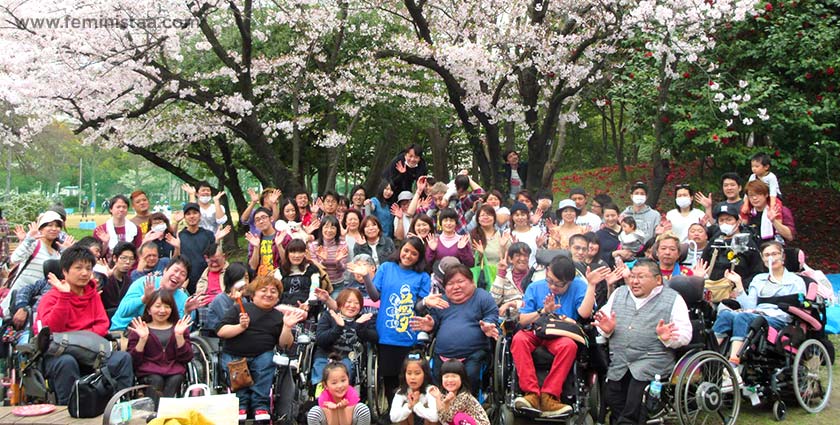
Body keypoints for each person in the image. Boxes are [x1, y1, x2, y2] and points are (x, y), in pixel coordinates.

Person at [593, 259, 691, 425]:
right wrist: (607, 330)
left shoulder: (673, 299)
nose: (634, 281)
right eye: (632, 276)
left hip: (651, 361)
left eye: (641, 277)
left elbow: (685, 334)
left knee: (634, 401)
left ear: (658, 280)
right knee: (613, 397)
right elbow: (602, 321)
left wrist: (668, 338)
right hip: (620, 361)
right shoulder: (619, 293)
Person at [37, 246, 134, 405]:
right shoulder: (51, 297)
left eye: (88, 269)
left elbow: (103, 324)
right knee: (67, 362)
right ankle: (68, 409)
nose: (84, 273)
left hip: (92, 351)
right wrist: (64, 297)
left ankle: (121, 404)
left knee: (123, 358)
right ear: (65, 271)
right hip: (60, 353)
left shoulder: (92, 295)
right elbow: (53, 331)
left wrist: (80, 338)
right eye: (78, 268)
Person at [349, 237, 431, 411]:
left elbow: (418, 306)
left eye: (414, 253)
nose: (408, 255)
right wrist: (366, 277)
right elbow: (374, 296)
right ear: (400, 250)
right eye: (406, 250)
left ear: (419, 257)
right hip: (387, 333)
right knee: (389, 378)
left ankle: (410, 413)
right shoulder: (386, 268)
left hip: (408, 334)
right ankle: (393, 413)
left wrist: (425, 302)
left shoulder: (423, 277)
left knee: (409, 378)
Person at [510, 255, 597, 417]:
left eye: (558, 284)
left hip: (561, 333)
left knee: (569, 346)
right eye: (549, 280)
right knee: (519, 339)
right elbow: (522, 320)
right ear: (547, 272)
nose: (552, 286)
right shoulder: (535, 287)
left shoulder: (579, 286)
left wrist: (591, 285)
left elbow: (584, 313)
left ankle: (549, 396)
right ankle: (531, 394)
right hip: (536, 329)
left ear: (569, 281)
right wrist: (542, 311)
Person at [712, 241, 806, 388]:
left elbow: (799, 306)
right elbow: (749, 306)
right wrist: (739, 284)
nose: (771, 258)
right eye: (767, 255)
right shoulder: (759, 279)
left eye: (774, 254)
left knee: (742, 317)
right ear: (762, 259)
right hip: (756, 314)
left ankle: (733, 368)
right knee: (726, 315)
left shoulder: (796, 281)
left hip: (778, 318)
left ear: (782, 257)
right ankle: (708, 358)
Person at [217, 275, 306, 423]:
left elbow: (285, 344)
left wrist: (287, 327)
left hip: (263, 354)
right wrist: (240, 327)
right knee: (237, 367)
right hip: (235, 354)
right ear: (253, 294)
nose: (268, 294)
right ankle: (240, 405)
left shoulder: (278, 316)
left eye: (273, 291)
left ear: (278, 297)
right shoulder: (238, 309)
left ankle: (261, 406)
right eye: (263, 290)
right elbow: (221, 331)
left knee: (266, 361)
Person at [412, 264, 499, 393]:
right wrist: (431, 325)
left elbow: (491, 314)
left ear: (472, 282)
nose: (456, 287)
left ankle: (467, 404)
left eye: (460, 281)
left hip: (473, 354)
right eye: (450, 284)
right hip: (442, 354)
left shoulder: (482, 297)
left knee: (470, 377)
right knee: (436, 381)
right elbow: (434, 320)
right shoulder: (441, 301)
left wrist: (488, 324)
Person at [127, 289, 194, 402]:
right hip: (148, 371)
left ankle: (163, 409)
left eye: (167, 306)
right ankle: (156, 410)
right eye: (158, 306)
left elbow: (187, 358)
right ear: (149, 310)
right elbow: (133, 361)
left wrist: (179, 336)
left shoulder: (179, 327)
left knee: (176, 378)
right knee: (156, 379)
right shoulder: (140, 328)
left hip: (174, 370)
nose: (162, 310)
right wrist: (143, 339)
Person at [110, 257, 205, 331]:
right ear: (165, 270)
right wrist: (144, 299)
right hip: (125, 331)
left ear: (185, 281)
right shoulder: (144, 283)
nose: (177, 275)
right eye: (175, 270)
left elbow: (184, 333)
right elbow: (122, 312)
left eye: (183, 274)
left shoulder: (184, 299)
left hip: (160, 339)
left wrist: (187, 312)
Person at [312, 288, 377, 386]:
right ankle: (321, 392)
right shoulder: (329, 316)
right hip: (326, 355)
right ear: (340, 303)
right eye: (348, 302)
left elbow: (375, 337)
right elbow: (321, 340)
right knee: (321, 374)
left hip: (348, 357)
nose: (352, 306)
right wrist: (338, 328)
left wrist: (359, 327)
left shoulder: (364, 318)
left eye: (356, 303)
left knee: (343, 375)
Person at [2, 211, 64, 314]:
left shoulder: (56, 253)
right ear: (41, 228)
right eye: (49, 225)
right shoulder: (35, 244)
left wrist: (66, 252)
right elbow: (15, 259)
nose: (54, 228)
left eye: (57, 226)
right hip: (18, 297)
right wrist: (28, 240)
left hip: (37, 301)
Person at [701, 203, 763, 290]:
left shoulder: (747, 241)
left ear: (738, 221)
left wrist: (741, 287)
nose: (725, 223)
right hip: (713, 288)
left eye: (729, 220)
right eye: (721, 220)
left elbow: (757, 271)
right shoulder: (715, 241)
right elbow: (703, 263)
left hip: (737, 290)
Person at [306, 354, 372, 425]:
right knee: (314, 412)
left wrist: (341, 409)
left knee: (362, 409)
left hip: (348, 421)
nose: (340, 386)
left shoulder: (351, 393)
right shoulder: (324, 397)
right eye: (334, 383)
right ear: (326, 385)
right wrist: (333, 410)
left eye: (343, 380)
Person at [179, 202, 229, 294]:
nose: (192, 216)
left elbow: (213, 254)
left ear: (200, 215)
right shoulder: (180, 236)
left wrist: (217, 240)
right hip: (186, 280)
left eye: (195, 213)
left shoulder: (208, 234)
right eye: (188, 214)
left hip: (205, 279)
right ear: (184, 217)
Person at [429, 360, 490, 425]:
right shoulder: (445, 395)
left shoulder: (464, 397)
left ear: (462, 379)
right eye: (446, 377)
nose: (450, 380)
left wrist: (446, 402)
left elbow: (449, 418)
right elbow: (442, 419)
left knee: (459, 417)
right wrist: (438, 397)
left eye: (454, 376)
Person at [389, 352, 438, 425]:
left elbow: (435, 417)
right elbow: (393, 417)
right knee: (404, 408)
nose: (412, 377)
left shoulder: (430, 390)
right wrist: (409, 406)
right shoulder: (402, 392)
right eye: (409, 373)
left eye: (417, 373)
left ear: (425, 374)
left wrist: (416, 405)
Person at [741, 180, 795, 244]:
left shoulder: (780, 210)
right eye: (751, 195)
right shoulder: (747, 212)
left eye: (758, 194)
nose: (754, 198)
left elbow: (790, 236)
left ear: (766, 194)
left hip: (775, 247)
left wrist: (774, 221)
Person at [205, 262, 250, 333]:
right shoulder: (220, 299)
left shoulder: (244, 299)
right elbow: (229, 322)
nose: (245, 283)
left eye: (247, 278)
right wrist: (236, 302)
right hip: (217, 335)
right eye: (241, 279)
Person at [310, 216, 350, 295]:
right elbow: (314, 269)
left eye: (332, 228)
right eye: (326, 227)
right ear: (321, 229)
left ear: (337, 230)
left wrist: (338, 261)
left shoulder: (342, 245)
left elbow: (342, 270)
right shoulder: (314, 245)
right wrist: (322, 260)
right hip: (321, 283)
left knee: (336, 303)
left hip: (337, 284)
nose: (329, 230)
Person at [491, 242, 533, 315]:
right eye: (518, 255)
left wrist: (512, 304)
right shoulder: (505, 277)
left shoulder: (535, 276)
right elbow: (493, 301)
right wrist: (501, 274)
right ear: (510, 259)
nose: (522, 258)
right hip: (508, 318)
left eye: (525, 255)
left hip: (530, 317)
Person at [100, 241, 138, 315]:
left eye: (131, 259)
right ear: (115, 258)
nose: (127, 262)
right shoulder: (104, 277)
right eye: (124, 258)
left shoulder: (129, 281)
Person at [246, 207, 282, 277]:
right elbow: (253, 267)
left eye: (264, 217)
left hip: (279, 277)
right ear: (255, 224)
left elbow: (288, 263)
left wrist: (279, 245)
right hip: (261, 279)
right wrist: (256, 247)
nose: (261, 221)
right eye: (257, 220)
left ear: (271, 219)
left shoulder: (282, 236)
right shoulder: (255, 240)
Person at [509, 202, 543, 267]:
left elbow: (544, 254)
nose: (520, 217)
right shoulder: (508, 233)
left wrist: (540, 246)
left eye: (523, 215)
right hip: (517, 270)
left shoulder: (536, 231)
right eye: (517, 215)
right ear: (512, 217)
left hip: (536, 269)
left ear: (527, 216)